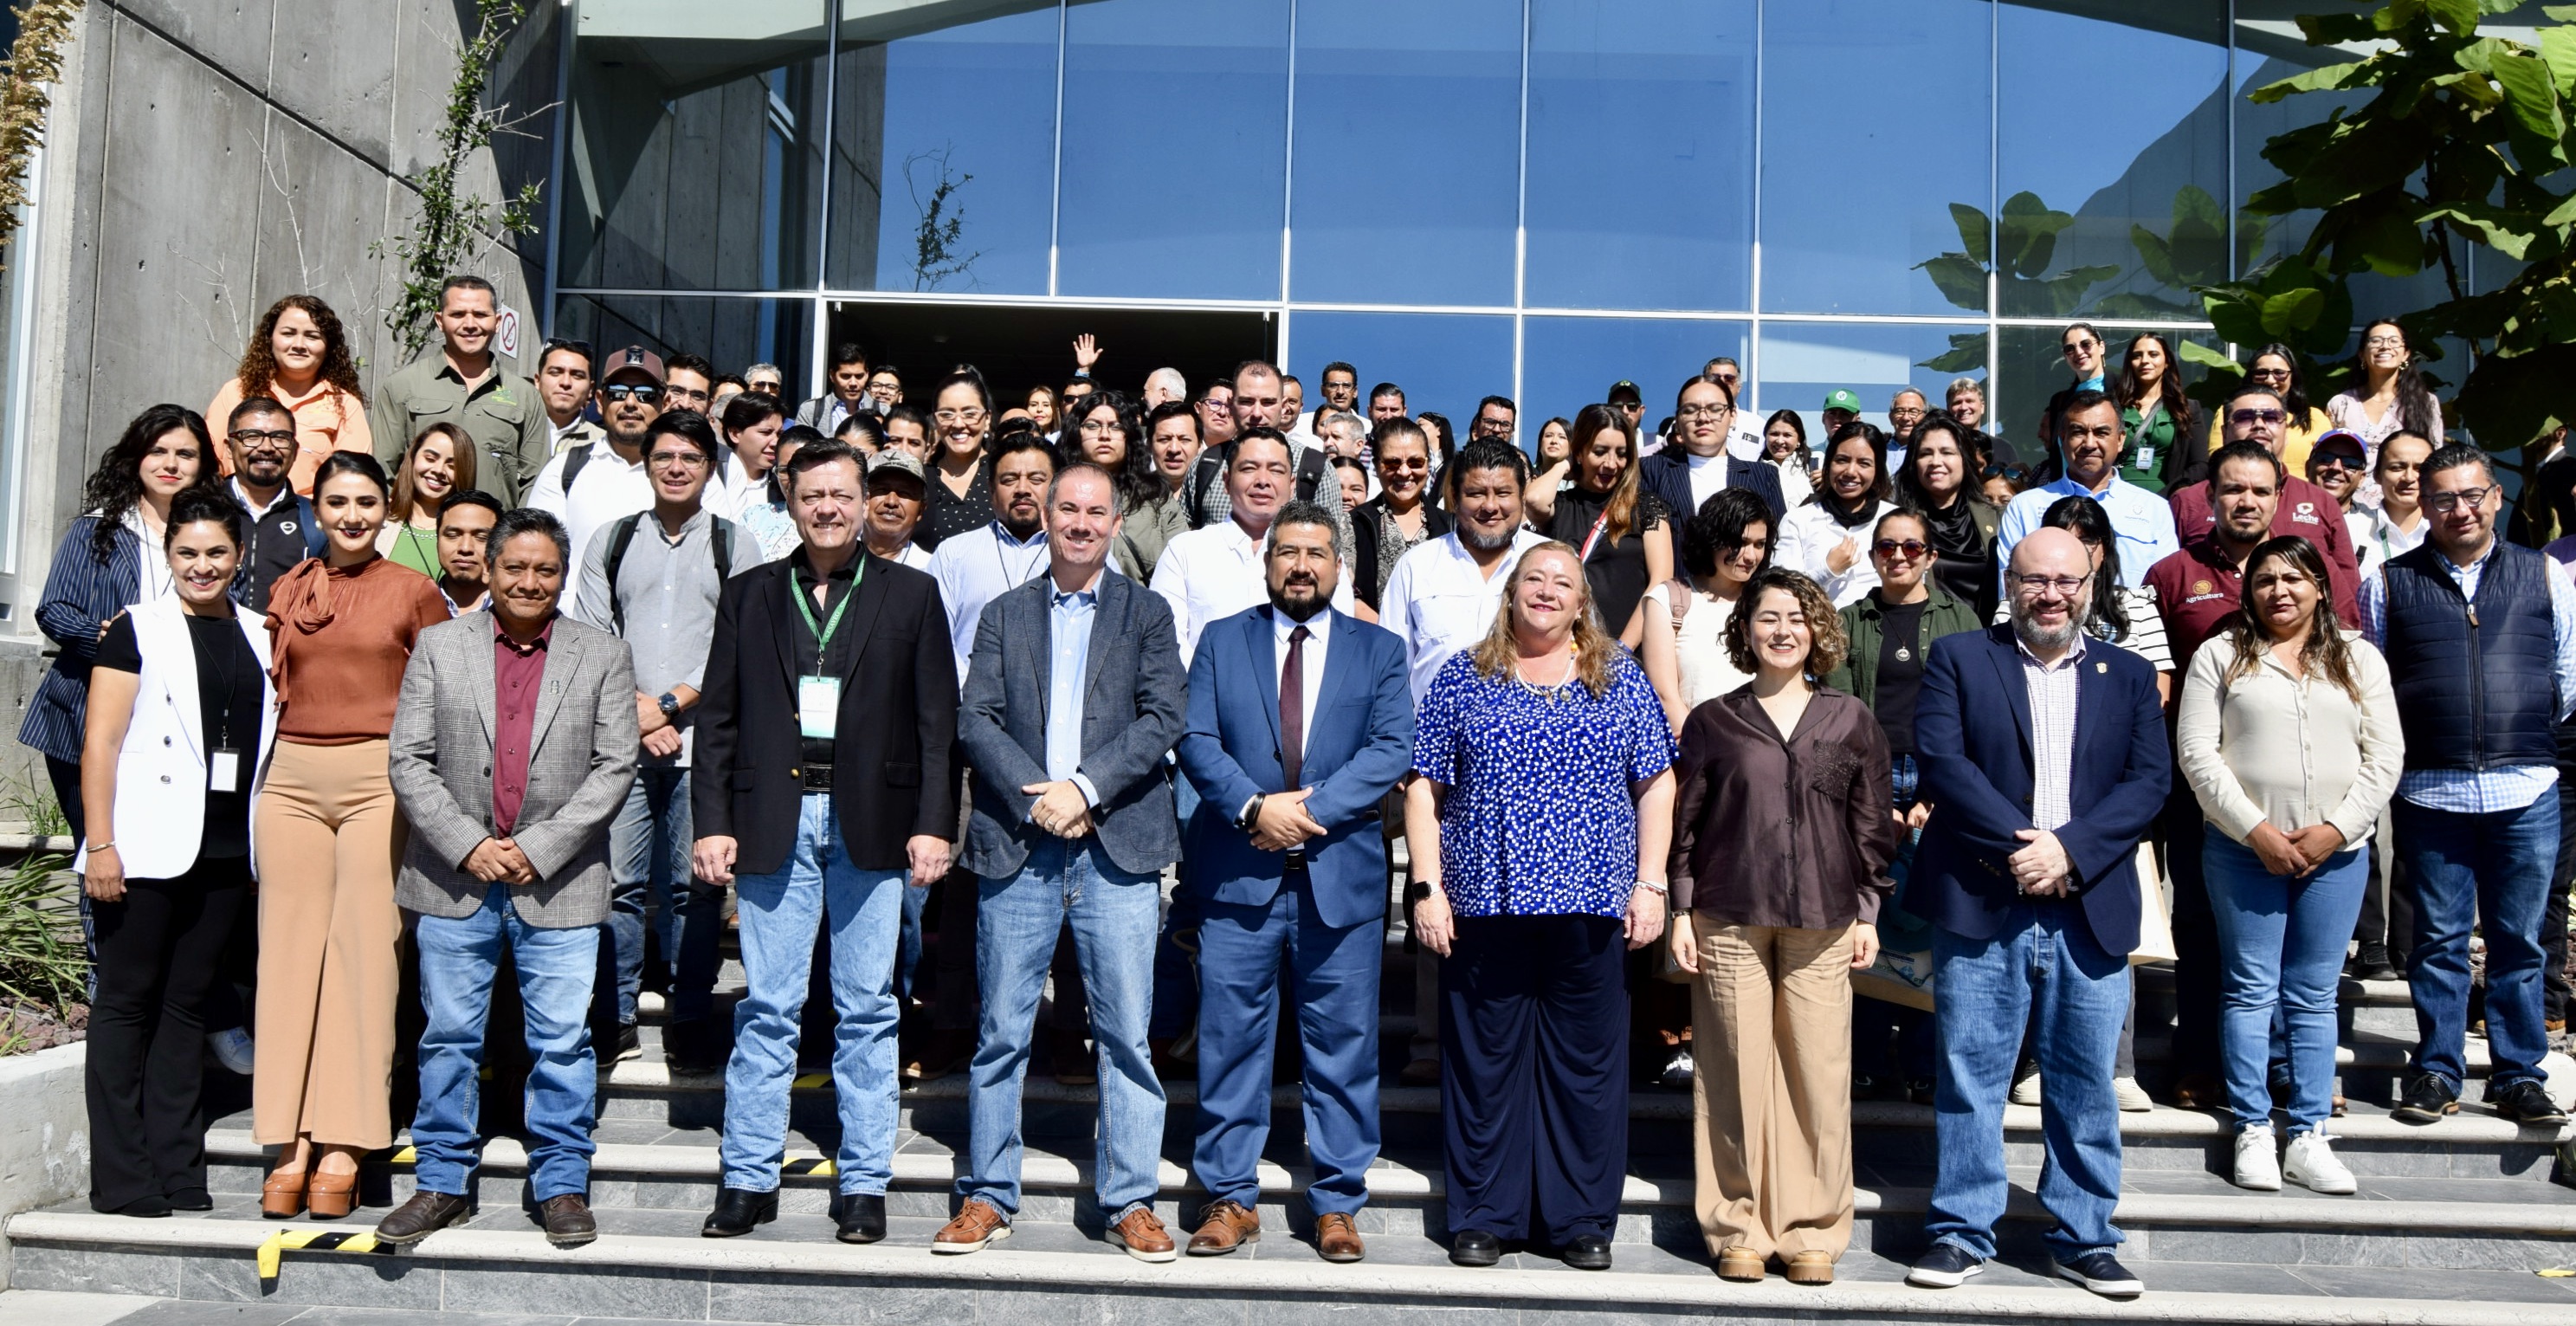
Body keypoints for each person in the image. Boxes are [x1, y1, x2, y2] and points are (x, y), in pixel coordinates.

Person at [693, 439, 959, 1243]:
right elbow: (719, 719)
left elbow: (937, 725)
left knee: (868, 1008)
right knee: (769, 1007)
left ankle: (865, 1182)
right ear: (791, 498)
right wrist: (711, 820)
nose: (829, 509)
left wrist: (933, 823)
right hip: (774, 818)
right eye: (813, 495)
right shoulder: (749, 595)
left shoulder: (912, 594)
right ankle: (746, 1175)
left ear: (866, 498)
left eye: (843, 494)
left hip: (872, 823)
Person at [1904, 527, 2168, 1299]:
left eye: (2066, 579)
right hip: (1983, 894)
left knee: (2085, 1078)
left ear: (2090, 583)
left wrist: (2069, 851)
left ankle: (2084, 1235)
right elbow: (1943, 763)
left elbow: (2148, 782)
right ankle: (1960, 1230)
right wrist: (2025, 849)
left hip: (2089, 903)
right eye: (2033, 580)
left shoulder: (2126, 674)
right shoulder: (1960, 658)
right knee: (1970, 1075)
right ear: (2008, 583)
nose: (2050, 593)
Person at [934, 462, 1185, 1262]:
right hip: (1020, 842)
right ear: (1043, 517)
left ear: (1116, 523)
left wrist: (1083, 787)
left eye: (1095, 511)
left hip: (1115, 845)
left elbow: (1163, 716)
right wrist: (1032, 791)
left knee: (1125, 1036)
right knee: (1002, 1030)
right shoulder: (1006, 613)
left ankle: (1130, 1198)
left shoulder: (1146, 612)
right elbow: (975, 716)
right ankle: (987, 1196)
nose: (1079, 523)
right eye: (1066, 509)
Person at [372, 508, 639, 1250]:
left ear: (561, 576)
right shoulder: (438, 646)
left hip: (559, 881)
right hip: (454, 879)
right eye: (514, 567)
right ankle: (441, 1180)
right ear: (487, 571)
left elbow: (614, 766)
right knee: (448, 1037)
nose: (529, 581)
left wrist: (538, 846)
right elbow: (408, 759)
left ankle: (559, 1183)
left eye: (545, 569)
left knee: (560, 1041)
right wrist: (467, 844)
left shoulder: (603, 654)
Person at [1408, 543, 1675, 1271]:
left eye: (1563, 582)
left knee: (1585, 1068)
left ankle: (1579, 1219)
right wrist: (1426, 886)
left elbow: (1656, 783)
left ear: (1581, 600)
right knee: (1486, 1065)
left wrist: (1650, 883)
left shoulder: (1618, 677)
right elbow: (1424, 788)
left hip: (1592, 905)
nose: (1548, 592)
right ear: (1512, 592)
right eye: (1535, 579)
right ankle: (1484, 1215)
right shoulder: (1465, 674)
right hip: (1485, 904)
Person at [1174, 501, 1412, 1264]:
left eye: (1316, 552)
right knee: (1230, 1037)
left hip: (1337, 874)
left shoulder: (1377, 649)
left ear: (1339, 565)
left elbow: (1388, 749)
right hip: (1238, 871)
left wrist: (1303, 811)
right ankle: (1226, 1196)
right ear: (1266, 561)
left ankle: (1338, 1201)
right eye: (1288, 552)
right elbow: (1195, 738)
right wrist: (1253, 807)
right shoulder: (1221, 640)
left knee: (1342, 1044)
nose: (1301, 565)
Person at [1668, 567, 1895, 1285]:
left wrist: (1868, 908)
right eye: (1767, 617)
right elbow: (1686, 823)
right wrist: (1679, 906)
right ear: (1745, 629)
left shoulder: (1850, 718)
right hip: (1728, 911)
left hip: (1824, 919)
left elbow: (1869, 827)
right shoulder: (1714, 719)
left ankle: (1809, 1230)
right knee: (1732, 1072)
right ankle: (1736, 1223)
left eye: (1796, 617)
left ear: (1818, 629)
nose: (1782, 630)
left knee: (1818, 1078)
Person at [253, 451, 451, 1219]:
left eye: (367, 500)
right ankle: (289, 1138)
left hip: (379, 777)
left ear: (385, 507)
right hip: (292, 777)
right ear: (317, 507)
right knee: (290, 956)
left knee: (365, 955)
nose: (353, 515)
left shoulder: (414, 589)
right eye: (337, 501)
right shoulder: (288, 585)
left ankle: (345, 1136)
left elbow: (441, 693)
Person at [2177, 535, 2402, 1194]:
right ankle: (2251, 1125)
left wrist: (2336, 829)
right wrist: (2256, 830)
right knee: (2249, 987)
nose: (2279, 590)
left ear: (2320, 586)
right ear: (2247, 590)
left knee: (2311, 993)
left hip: (2335, 855)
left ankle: (2306, 1132)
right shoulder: (2220, 655)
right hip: (2244, 851)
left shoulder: (2357, 657)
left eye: (2294, 578)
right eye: (2265, 579)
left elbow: (2383, 756)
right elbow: (2197, 752)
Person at [2359, 445, 2575, 1129]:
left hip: (2526, 786)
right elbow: (2372, 682)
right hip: (2430, 790)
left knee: (2517, 940)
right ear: (2423, 505)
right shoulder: (2387, 582)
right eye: (2445, 498)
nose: (2461, 509)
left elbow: (2567, 679)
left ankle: (2516, 1074)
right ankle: (2436, 1068)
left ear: (2495, 499)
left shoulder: (2542, 573)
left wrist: (2521, 732)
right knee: (2439, 941)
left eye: (2473, 495)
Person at [76, 489, 274, 1217]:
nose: (202, 565)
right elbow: (100, 740)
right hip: (143, 846)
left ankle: (179, 1167)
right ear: (168, 556)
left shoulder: (259, 631)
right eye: (187, 552)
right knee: (127, 1004)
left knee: (187, 1008)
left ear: (239, 555)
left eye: (217, 552)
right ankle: (124, 1177)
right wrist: (102, 842)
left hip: (225, 852)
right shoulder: (137, 628)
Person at [570, 411, 755, 1071]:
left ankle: (689, 1013)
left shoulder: (737, 545)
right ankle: (614, 1013)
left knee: (694, 886)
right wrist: (639, 712)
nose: (677, 467)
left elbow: (743, 647)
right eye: (665, 455)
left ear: (710, 467)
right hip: (621, 742)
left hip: (704, 746)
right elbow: (590, 637)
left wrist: (672, 705)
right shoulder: (611, 540)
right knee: (618, 883)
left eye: (691, 457)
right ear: (646, 463)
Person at [1822, 510, 1980, 1104]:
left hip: (1940, 775)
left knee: (1929, 917)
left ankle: (1921, 1062)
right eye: (1886, 545)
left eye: (1911, 546)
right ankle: (1862, 1058)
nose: (1898, 555)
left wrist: (1938, 793)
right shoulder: (1847, 619)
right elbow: (1836, 713)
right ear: (1873, 554)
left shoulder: (1959, 618)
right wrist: (1871, 802)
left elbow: (1972, 712)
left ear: (1930, 555)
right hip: (1870, 773)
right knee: (1865, 913)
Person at [22, 405, 227, 857]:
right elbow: (55, 609)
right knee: (98, 851)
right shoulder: (99, 529)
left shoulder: (215, 538)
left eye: (185, 454)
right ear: (136, 457)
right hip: (84, 711)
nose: (170, 464)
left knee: (155, 855)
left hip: (178, 716)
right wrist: (111, 641)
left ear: (204, 466)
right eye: (158, 451)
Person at [1154, 429, 1357, 660]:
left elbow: (1338, 644)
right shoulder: (1184, 551)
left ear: (1292, 485)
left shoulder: (1322, 557)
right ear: (1227, 481)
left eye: (1276, 470)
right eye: (1249, 468)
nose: (1263, 481)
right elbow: (1166, 646)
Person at [2169, 385, 2365, 622]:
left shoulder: (2321, 501)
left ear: (2286, 429)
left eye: (2272, 417)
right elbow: (2172, 578)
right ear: (2224, 430)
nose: (2259, 425)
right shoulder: (2188, 501)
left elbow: (2346, 594)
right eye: (2245, 417)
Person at [366, 276, 548, 501]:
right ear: (440, 321)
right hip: (419, 533)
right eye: (458, 314)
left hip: (494, 533)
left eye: (480, 315)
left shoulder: (525, 396)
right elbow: (382, 472)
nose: (470, 324)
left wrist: (513, 535)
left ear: (498, 321)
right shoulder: (402, 386)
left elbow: (536, 483)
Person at [527, 346, 674, 618]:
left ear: (664, 404)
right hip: (574, 637)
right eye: (618, 392)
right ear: (599, 400)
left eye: (645, 395)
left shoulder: (685, 477)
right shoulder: (564, 470)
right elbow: (534, 557)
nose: (630, 403)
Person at [1993, 391, 2179, 589]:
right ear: (2062, 438)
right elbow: (2010, 591)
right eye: (2078, 432)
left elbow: (2168, 588)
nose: (2089, 444)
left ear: (2120, 440)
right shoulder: (2025, 507)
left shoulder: (2155, 510)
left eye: (2101, 433)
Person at [1183, 362, 1353, 562]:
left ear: (1282, 405)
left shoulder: (1316, 468)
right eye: (1247, 401)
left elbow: (1331, 554)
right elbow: (1185, 543)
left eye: (1267, 402)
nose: (1256, 413)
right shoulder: (1206, 463)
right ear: (1231, 404)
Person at [208, 294, 371, 495]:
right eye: (288, 333)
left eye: (312, 336)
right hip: (234, 515)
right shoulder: (234, 393)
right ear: (270, 338)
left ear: (328, 347)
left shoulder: (345, 406)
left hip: (309, 519)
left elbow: (351, 482)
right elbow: (208, 464)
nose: (299, 345)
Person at [1641, 489, 1774, 732]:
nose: (1751, 555)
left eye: (1759, 544)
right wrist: (1703, 749)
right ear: (1711, 539)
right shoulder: (1668, 599)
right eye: (1740, 543)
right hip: (1700, 749)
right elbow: (1664, 694)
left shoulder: (1769, 600)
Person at [928, 431, 1057, 680]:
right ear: (991, 488)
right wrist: (973, 698)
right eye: (1009, 480)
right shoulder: (953, 553)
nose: (1022, 489)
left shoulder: (1083, 554)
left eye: (1036, 479)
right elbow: (935, 637)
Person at [1543, 405, 1674, 648]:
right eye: (1600, 451)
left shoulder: (1646, 506)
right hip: (1564, 652)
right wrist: (1564, 464)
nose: (1611, 464)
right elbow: (1533, 500)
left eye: (1621, 454)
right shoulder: (1561, 505)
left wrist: (1623, 648)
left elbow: (1661, 582)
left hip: (1626, 652)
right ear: (1579, 452)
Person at [220, 397, 326, 612]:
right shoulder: (200, 510)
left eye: (280, 437)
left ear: (295, 450)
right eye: (252, 436)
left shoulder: (315, 520)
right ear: (229, 448)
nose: (267, 447)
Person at [1776, 423, 1899, 609]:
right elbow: (1781, 592)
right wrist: (1828, 570)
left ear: (1878, 470)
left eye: (1864, 463)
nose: (1850, 472)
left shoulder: (1895, 520)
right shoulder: (1798, 520)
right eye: (1841, 460)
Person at [1639, 375, 1786, 526]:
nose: (1703, 418)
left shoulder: (1764, 476)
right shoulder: (1650, 471)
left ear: (1733, 416)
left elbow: (1780, 542)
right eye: (1690, 410)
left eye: (1715, 409)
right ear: (1678, 419)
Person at [1896, 412, 2003, 619]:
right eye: (1926, 453)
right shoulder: (1901, 523)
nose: (1936, 461)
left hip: (1986, 638)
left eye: (1947, 452)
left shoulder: (1996, 518)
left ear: (1965, 459)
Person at [1072, 393, 1182, 585]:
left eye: (1116, 426)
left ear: (1128, 435)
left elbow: (1182, 568)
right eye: (1092, 425)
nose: (1104, 435)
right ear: (1076, 432)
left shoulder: (1157, 498)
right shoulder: (1053, 494)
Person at [1349, 417, 1449, 618]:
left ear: (1428, 465)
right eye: (1392, 463)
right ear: (1377, 466)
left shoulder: (1452, 527)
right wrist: (1388, 637)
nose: (1404, 472)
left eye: (1415, 462)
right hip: (1374, 642)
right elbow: (1344, 591)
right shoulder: (1352, 523)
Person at [2197, 344, 2333, 479]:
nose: (2270, 380)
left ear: (2292, 376)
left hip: (2300, 497)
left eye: (2279, 373)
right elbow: (2216, 460)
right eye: (2261, 373)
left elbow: (2327, 465)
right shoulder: (2232, 413)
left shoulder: (2315, 417)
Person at [2327, 319, 2446, 454]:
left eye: (2394, 341)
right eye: (2376, 340)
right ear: (2362, 354)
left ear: (2406, 354)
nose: (2385, 346)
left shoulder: (2425, 402)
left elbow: (2435, 457)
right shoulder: (2341, 404)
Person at [378, 424, 477, 577]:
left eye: (452, 465)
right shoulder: (379, 522)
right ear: (413, 458)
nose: (438, 470)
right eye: (430, 459)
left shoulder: (474, 538)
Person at [2113, 333, 2197, 495]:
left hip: (2167, 500)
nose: (2145, 360)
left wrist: (2168, 494)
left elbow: (2199, 465)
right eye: (2137, 355)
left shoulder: (2187, 408)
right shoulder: (2113, 405)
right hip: (2117, 496)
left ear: (2167, 362)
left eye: (2153, 354)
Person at [2350, 429, 2431, 585]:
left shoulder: (2448, 532)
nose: (2409, 477)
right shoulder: (2353, 530)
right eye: (2397, 467)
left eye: (2420, 469)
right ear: (2377, 475)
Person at [740, 424, 822, 564]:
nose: (793, 478)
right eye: (785, 470)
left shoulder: (838, 518)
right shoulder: (754, 519)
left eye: (801, 468)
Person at [860, 450, 934, 571]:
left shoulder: (930, 569)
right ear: (863, 499)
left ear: (921, 510)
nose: (891, 502)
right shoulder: (837, 555)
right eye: (882, 490)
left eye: (904, 493)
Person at [433, 489, 502, 614]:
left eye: (481, 538)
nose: (465, 548)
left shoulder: (514, 613)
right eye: (453, 535)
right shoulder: (414, 604)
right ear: (437, 541)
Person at [534, 339, 602, 458]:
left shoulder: (604, 445)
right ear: (538, 381)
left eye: (577, 376)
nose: (565, 382)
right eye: (555, 373)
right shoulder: (510, 431)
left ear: (590, 389)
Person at [720, 391, 786, 502]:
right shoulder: (713, 479)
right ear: (735, 433)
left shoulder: (784, 485)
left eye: (779, 434)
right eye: (766, 432)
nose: (775, 442)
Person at [795, 342, 874, 432]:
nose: (853, 383)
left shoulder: (883, 410)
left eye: (859, 376)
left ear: (867, 375)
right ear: (832, 376)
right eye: (846, 376)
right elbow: (800, 444)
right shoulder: (810, 411)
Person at [1757, 409, 1815, 508]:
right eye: (1774, 434)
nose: (1780, 441)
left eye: (1787, 435)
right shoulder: (1754, 471)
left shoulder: (1816, 463)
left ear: (1799, 439)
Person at [1886, 388, 1927, 472]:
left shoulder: (1930, 451)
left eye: (1913, 412)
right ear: (1891, 417)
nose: (1906, 418)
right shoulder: (1877, 448)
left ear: (1925, 418)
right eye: (1900, 411)